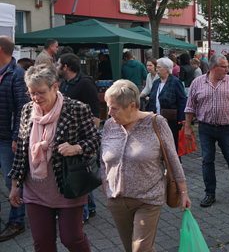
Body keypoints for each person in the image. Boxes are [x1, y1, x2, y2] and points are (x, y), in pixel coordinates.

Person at [8, 64, 100, 251]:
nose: (35, 98)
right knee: (42, 243)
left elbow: (96, 139)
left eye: (40, 92)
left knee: (71, 239)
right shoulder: (27, 111)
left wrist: (77, 147)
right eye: (31, 93)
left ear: (55, 86)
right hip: (34, 187)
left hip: (68, 186)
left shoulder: (76, 109)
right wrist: (15, 186)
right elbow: (22, 150)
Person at [101, 80, 191, 252]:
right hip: (117, 200)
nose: (109, 112)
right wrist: (105, 182)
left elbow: (173, 159)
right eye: (108, 107)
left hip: (148, 198)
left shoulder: (156, 123)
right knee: (131, 249)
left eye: (114, 108)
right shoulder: (109, 126)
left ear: (132, 106)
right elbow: (102, 158)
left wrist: (183, 191)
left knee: (140, 249)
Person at [184, 54, 229, 207]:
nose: (228, 69)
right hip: (205, 127)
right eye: (225, 67)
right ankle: (210, 193)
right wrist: (187, 127)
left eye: (228, 66)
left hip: (226, 127)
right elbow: (190, 107)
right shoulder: (197, 83)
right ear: (214, 68)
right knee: (207, 159)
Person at [56, 53, 102, 224]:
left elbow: (95, 110)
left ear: (65, 67)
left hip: (82, 137)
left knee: (80, 171)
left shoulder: (85, 82)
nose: (56, 66)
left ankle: (83, 212)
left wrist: (91, 135)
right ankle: (89, 207)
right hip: (66, 137)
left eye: (58, 63)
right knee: (77, 172)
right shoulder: (63, 83)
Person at [0, 36, 29, 241]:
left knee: (13, 181)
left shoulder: (17, 74)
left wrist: (17, 137)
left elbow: (23, 109)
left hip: (7, 138)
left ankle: (17, 221)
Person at [147, 58, 187, 154]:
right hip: (156, 118)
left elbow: (182, 100)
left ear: (166, 69)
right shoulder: (156, 82)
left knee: (172, 145)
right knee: (158, 144)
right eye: (156, 67)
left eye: (159, 67)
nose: (156, 69)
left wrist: (183, 118)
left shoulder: (175, 82)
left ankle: (175, 166)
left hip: (171, 120)